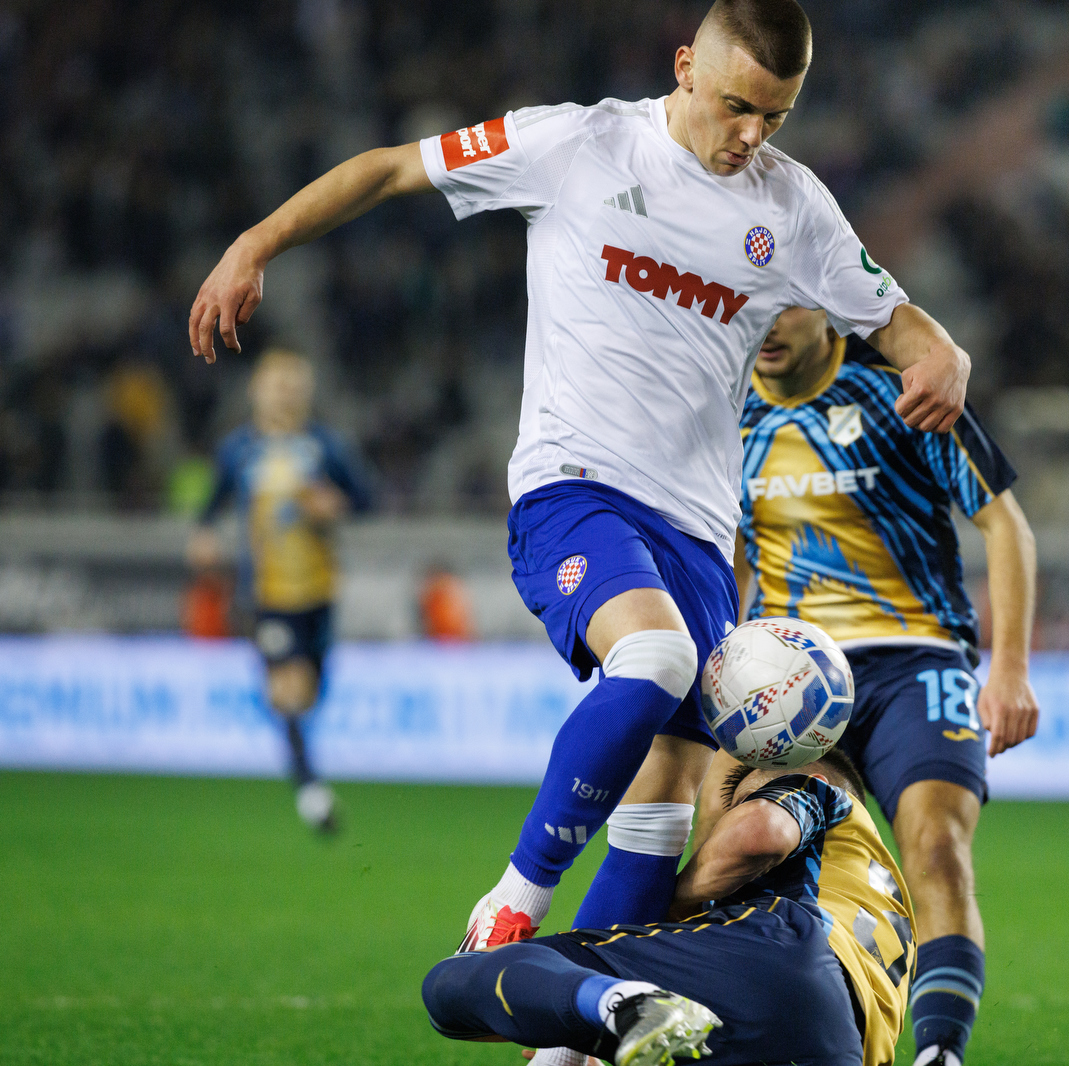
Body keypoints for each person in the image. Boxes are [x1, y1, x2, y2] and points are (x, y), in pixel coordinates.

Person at [188, 0, 969, 956]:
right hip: (575, 487)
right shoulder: (575, 144)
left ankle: (567, 1043)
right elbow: (390, 167)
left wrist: (939, 351)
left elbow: (891, 314)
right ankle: (514, 900)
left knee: (667, 803)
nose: (751, 135)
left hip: (695, 531)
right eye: (736, 107)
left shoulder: (793, 203)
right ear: (685, 65)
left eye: (777, 116)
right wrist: (254, 243)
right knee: (657, 658)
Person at [737, 307, 1038, 1066]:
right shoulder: (726, 413)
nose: (766, 326)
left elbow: (1006, 526)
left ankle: (939, 1053)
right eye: (753, 307)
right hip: (795, 683)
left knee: (935, 845)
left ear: (829, 309)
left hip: (917, 660)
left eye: (786, 306)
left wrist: (1008, 670)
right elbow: (733, 552)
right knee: (761, 856)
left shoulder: (905, 392)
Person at [420, 748, 914, 1066]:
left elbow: (760, 833)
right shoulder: (892, 916)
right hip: (838, 1045)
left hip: (782, 945)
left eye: (731, 801)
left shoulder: (816, 788)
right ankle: (616, 1012)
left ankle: (612, 1003)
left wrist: (663, 905)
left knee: (451, 985)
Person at [187, 349, 372, 832]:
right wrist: (204, 538)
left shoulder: (325, 446)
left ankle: (302, 767)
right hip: (265, 596)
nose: (285, 390)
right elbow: (209, 509)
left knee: (309, 692)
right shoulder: (238, 451)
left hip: (318, 591)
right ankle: (312, 791)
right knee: (286, 690)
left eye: (294, 382)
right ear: (256, 390)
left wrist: (335, 505)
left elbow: (366, 497)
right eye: (276, 382)